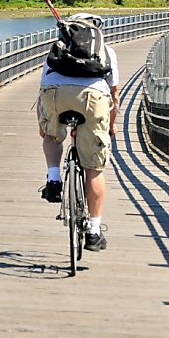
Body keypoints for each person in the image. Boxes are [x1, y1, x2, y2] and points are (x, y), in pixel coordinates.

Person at [36, 13, 120, 252]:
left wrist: (44, 126)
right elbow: (114, 93)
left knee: (52, 136)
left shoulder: (58, 49)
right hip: (93, 98)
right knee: (94, 167)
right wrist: (112, 124)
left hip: (56, 95)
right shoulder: (107, 52)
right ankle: (94, 230)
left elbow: (43, 88)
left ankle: (53, 178)